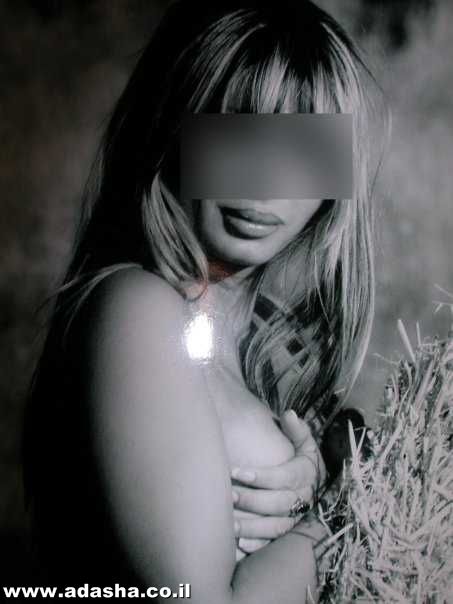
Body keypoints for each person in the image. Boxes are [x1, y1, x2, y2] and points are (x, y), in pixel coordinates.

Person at [23, 1, 379, 601]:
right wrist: (339, 512)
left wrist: (332, 469)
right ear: (173, 128)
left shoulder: (266, 344)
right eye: (235, 133)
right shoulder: (136, 308)